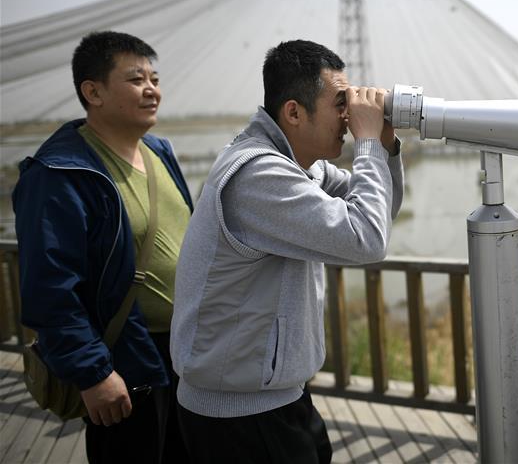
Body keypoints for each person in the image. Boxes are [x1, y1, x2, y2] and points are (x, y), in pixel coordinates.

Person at [170, 39, 403, 464]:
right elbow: (365, 240)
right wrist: (367, 145)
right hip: (238, 417)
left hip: (274, 396)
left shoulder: (301, 165)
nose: (349, 115)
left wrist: (385, 147)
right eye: (339, 103)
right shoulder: (257, 173)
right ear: (293, 112)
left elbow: (379, 212)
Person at [13, 31, 193, 463]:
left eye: (154, 78)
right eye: (136, 80)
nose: (152, 90)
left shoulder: (158, 151)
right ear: (92, 91)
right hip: (126, 359)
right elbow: (51, 288)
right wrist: (94, 374)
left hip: (186, 355)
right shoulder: (59, 173)